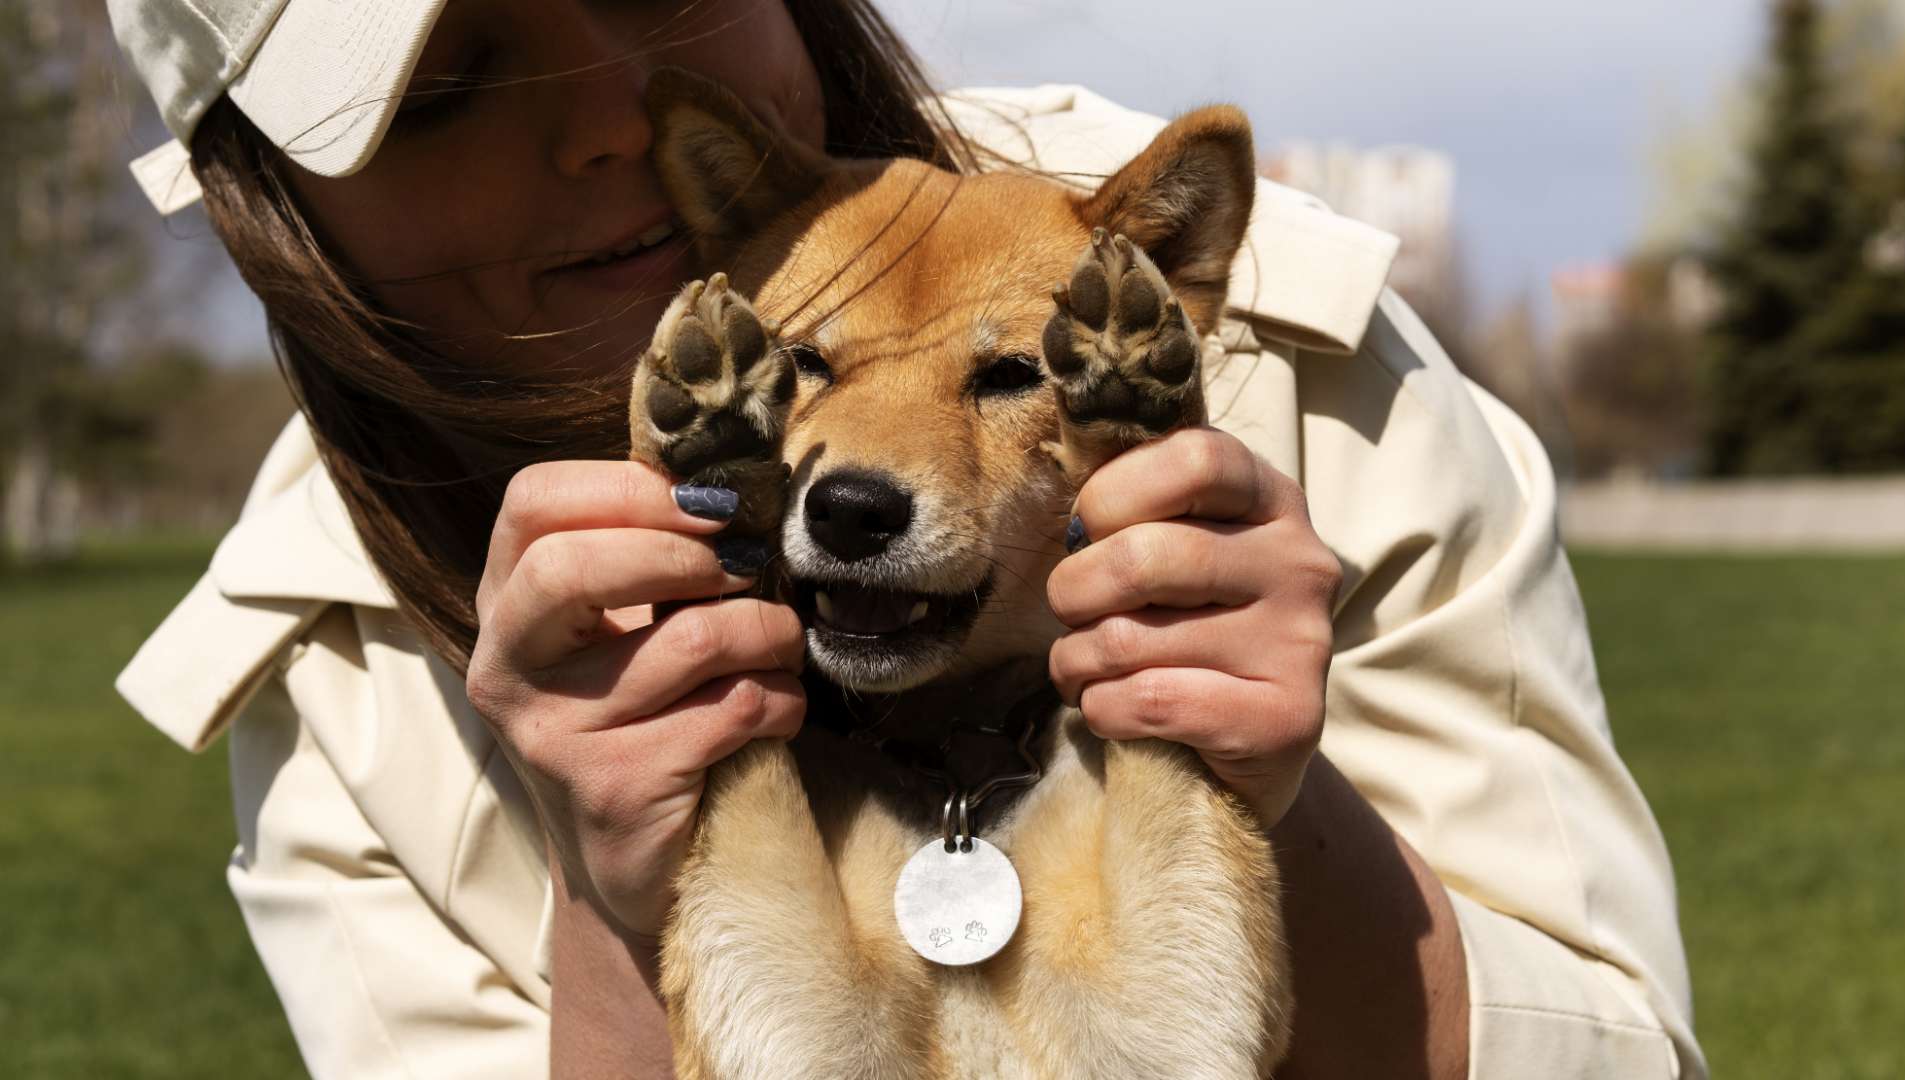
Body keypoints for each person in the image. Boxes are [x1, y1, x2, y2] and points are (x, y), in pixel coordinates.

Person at [108, 1, 1706, 1076]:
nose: (613, 119)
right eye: (446, 95)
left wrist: (1261, 795)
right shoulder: (332, 656)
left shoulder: (1290, 365)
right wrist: (620, 903)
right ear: (265, 199)